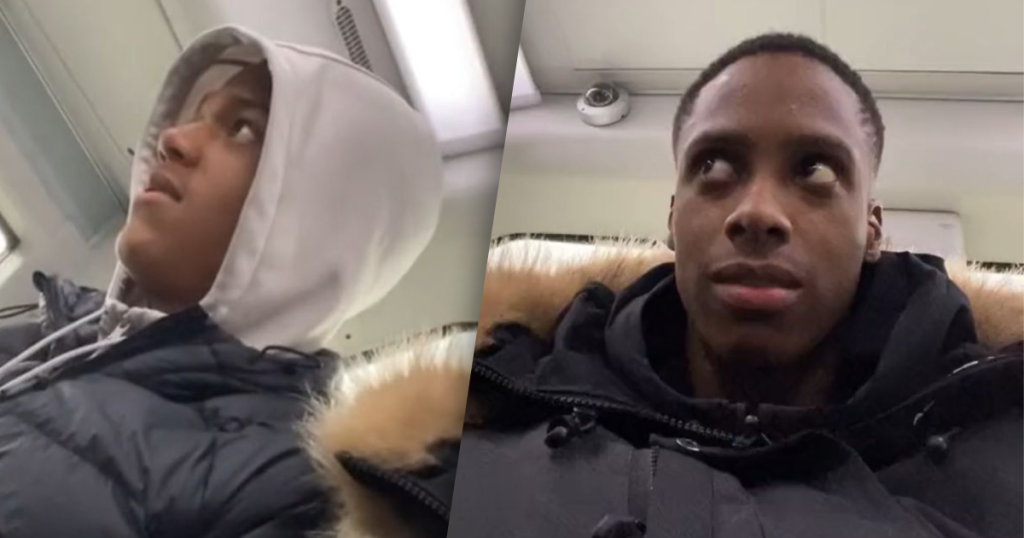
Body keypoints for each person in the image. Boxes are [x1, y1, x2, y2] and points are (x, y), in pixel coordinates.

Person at [313, 33, 1023, 538]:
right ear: (674, 219)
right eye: (715, 167)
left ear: (872, 228)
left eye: (813, 170)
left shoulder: (1005, 450)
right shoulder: (464, 450)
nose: (757, 213)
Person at [0, 25, 446, 537]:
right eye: (197, 115)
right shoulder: (47, 333)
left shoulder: (291, 490)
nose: (172, 139)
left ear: (319, 221)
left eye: (242, 129)